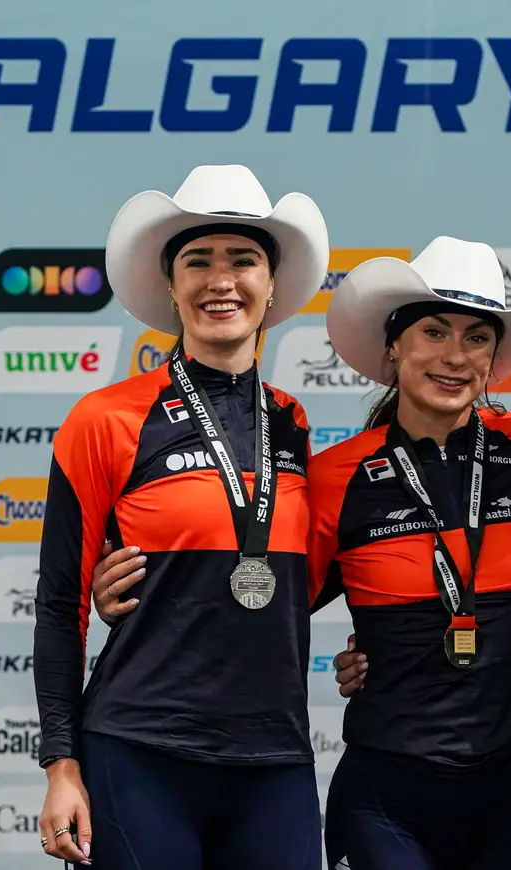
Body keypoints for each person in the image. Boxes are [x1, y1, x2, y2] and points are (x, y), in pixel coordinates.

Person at [91, 236, 511, 870]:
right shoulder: (338, 475)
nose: (454, 356)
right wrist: (134, 593)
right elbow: (265, 599)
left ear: (494, 356)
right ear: (394, 346)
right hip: (387, 792)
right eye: (433, 332)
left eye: (476, 338)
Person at [33, 164, 330, 870]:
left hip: (276, 757)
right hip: (140, 753)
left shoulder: (291, 422)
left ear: (271, 285)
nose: (221, 280)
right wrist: (60, 765)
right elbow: (59, 604)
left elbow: (302, 578)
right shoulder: (105, 418)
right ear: (170, 285)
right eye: (198, 261)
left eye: (243, 260)